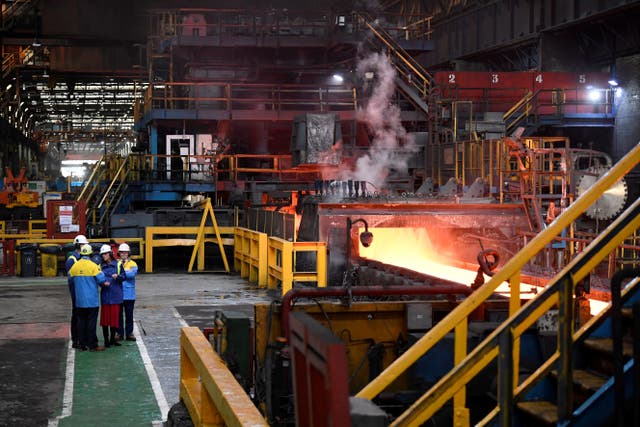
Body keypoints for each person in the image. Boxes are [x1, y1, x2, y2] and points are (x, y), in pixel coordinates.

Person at [69, 244, 107, 351]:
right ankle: (92, 345)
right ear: (90, 254)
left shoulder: (75, 266)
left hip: (79, 301)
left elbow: (70, 279)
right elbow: (101, 280)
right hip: (92, 301)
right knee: (91, 323)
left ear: (81, 254)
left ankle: (81, 344)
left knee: (81, 323)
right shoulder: (93, 266)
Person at [65, 234, 88, 349]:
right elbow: (71, 278)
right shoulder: (72, 259)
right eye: (83, 244)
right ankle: (76, 339)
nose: (85, 246)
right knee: (77, 316)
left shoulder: (85, 258)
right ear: (78, 245)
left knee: (84, 316)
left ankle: (83, 338)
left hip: (84, 292)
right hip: (76, 292)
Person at [99, 244, 122, 348]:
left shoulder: (118, 265)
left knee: (114, 320)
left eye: (105, 253)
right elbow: (98, 279)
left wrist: (118, 276)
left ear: (110, 254)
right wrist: (103, 283)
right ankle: (106, 340)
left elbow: (124, 276)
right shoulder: (100, 266)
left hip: (115, 295)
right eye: (102, 254)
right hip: (105, 296)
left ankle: (112, 339)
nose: (104, 256)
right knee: (105, 320)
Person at [117, 243, 139, 341]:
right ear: (119, 253)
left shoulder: (133, 264)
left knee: (129, 316)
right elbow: (127, 274)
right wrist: (126, 272)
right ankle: (119, 334)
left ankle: (129, 333)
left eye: (125, 252)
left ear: (128, 253)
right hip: (119, 294)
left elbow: (132, 275)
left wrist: (120, 274)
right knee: (119, 316)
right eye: (122, 252)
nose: (123, 254)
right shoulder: (116, 263)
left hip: (129, 295)